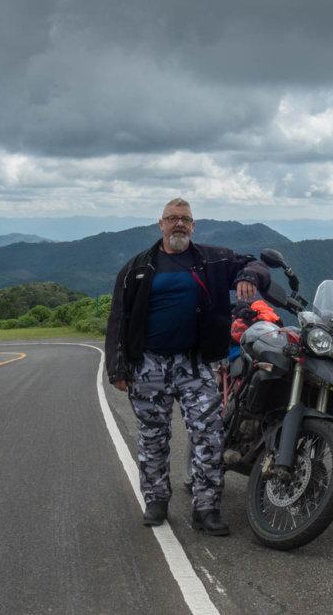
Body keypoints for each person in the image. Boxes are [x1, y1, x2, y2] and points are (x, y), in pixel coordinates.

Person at [105, 198, 269, 535]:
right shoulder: (137, 268)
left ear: (193, 226)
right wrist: (118, 368)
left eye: (185, 219)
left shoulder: (212, 259)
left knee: (209, 434)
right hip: (148, 363)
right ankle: (156, 501)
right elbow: (119, 318)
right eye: (172, 218)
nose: (178, 223)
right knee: (152, 436)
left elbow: (254, 264)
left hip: (196, 363)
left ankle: (206, 509)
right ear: (160, 224)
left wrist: (248, 276)